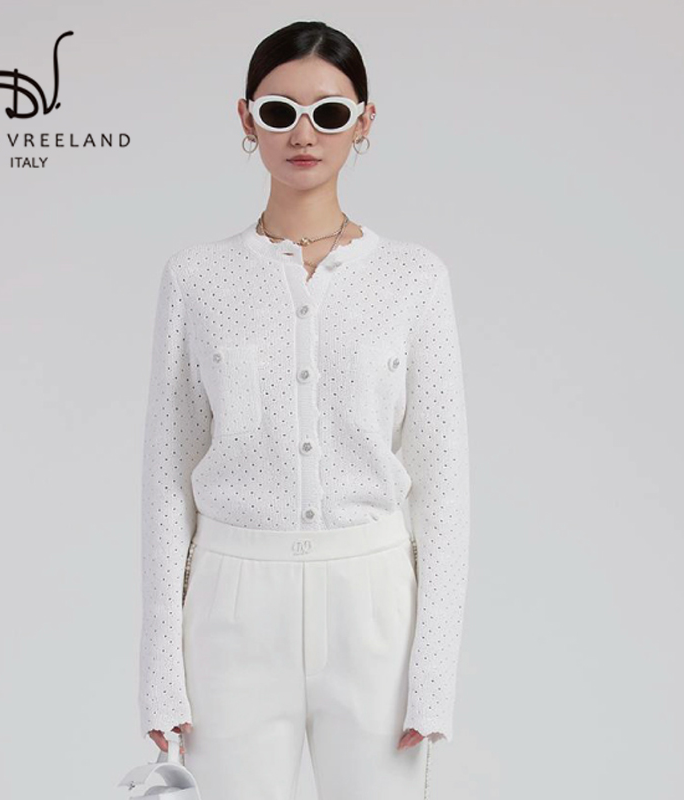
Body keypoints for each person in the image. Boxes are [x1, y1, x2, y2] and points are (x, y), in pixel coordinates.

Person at [137, 19, 470, 800]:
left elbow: (444, 487)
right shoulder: (196, 277)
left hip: (374, 602)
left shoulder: (413, 279)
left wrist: (433, 674)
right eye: (280, 111)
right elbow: (166, 478)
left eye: (329, 112)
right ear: (247, 118)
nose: (304, 133)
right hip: (230, 605)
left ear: (365, 121)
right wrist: (159, 672)